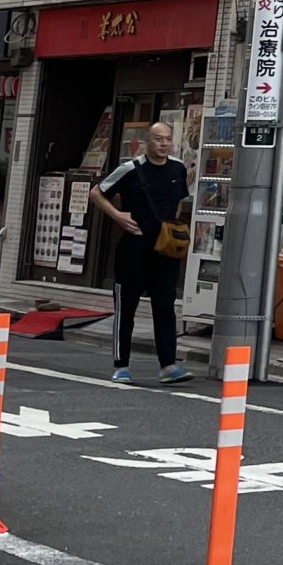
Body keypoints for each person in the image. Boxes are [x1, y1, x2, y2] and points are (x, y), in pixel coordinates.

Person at [93, 121, 193, 384]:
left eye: (167, 139)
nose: (163, 144)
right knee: (126, 307)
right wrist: (118, 216)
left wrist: (172, 229)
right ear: (147, 140)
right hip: (134, 247)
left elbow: (178, 203)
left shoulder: (178, 169)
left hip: (165, 250)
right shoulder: (130, 169)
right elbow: (97, 193)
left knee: (165, 307)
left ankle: (168, 366)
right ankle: (121, 365)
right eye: (158, 139)